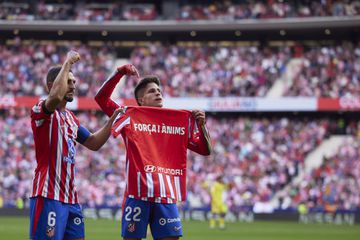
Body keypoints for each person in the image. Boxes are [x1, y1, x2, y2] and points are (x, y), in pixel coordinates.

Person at [95, 64, 212, 240]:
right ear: (141, 100)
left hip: (165, 196)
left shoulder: (175, 122)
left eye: (159, 90)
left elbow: (204, 150)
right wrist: (119, 73)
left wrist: (202, 127)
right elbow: (101, 98)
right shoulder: (129, 116)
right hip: (137, 194)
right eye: (151, 91)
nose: (158, 93)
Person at [29, 50, 121, 240]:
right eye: (68, 82)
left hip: (71, 199)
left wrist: (113, 119)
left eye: (74, 82)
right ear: (51, 86)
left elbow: (94, 143)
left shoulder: (71, 119)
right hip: (48, 195)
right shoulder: (42, 110)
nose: (72, 86)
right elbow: (53, 99)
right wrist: (67, 63)